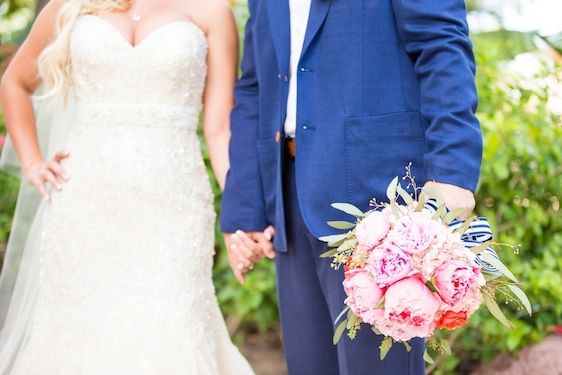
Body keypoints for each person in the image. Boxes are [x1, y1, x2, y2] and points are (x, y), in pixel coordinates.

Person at [0, 0, 262, 373]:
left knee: (173, 328)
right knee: (78, 331)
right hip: (83, 204)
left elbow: (219, 128)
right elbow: (15, 82)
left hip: (174, 206)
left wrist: (241, 211)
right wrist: (31, 163)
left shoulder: (211, 11)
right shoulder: (72, 5)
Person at [222, 0, 483, 374]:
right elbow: (254, 86)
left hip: (381, 201)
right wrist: (245, 208)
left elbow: (442, 46)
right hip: (291, 195)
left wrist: (453, 173)